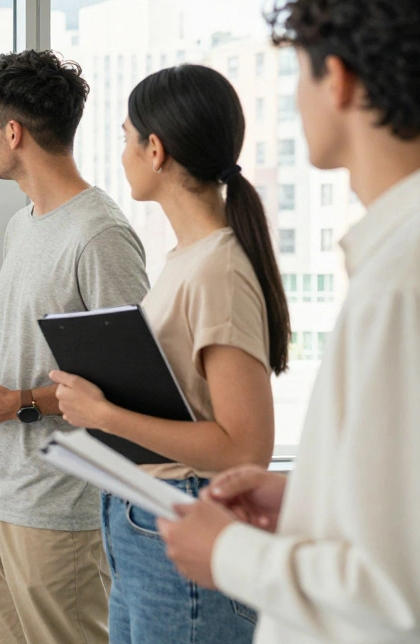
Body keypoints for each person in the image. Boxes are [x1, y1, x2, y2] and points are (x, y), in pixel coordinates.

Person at [158, 0, 420, 644]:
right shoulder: (403, 255)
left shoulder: (406, 277)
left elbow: (403, 595)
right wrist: (313, 502)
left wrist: (227, 553)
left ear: (337, 80)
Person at [50, 63, 290, 644]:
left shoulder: (217, 268)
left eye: (127, 139)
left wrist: (104, 415)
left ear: (155, 150)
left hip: (177, 513)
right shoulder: (189, 260)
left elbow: (245, 447)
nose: (123, 155)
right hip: (142, 519)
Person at [0, 50, 149, 644]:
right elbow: (47, 346)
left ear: (13, 132)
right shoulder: (22, 224)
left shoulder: (99, 234)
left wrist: (16, 402)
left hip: (61, 510)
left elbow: (129, 381)